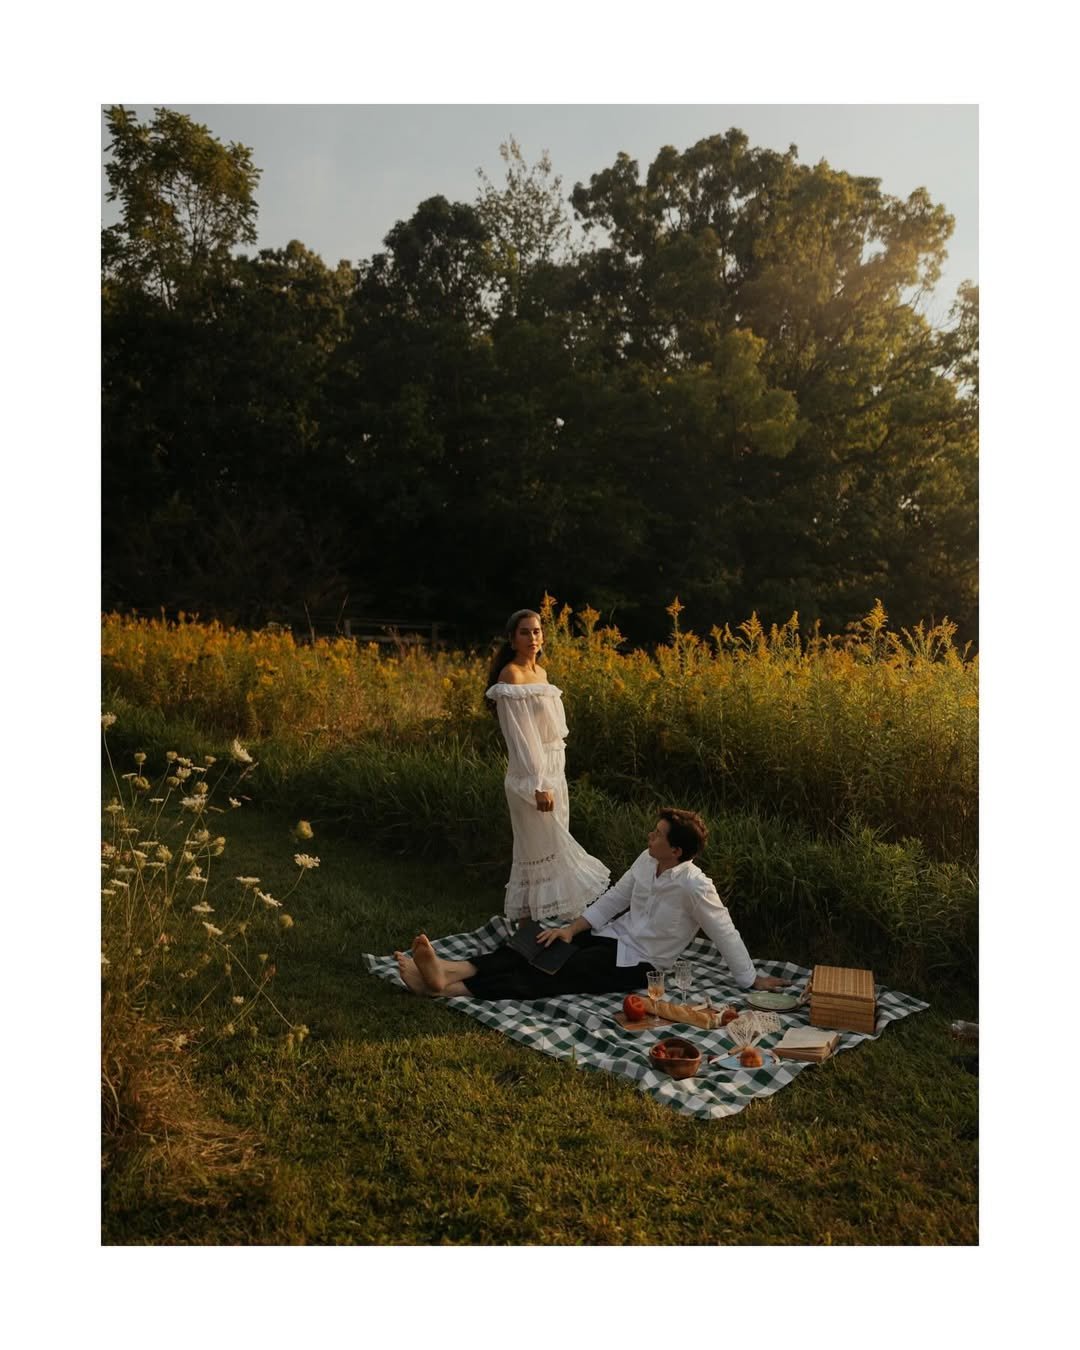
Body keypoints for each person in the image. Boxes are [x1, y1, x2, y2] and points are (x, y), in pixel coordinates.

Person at [394, 807, 789, 1000]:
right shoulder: (647, 858)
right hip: (609, 936)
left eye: (658, 835)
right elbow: (615, 898)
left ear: (677, 850)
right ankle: (447, 969)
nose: (649, 837)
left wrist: (750, 979)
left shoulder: (695, 886)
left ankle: (448, 989)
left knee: (556, 972)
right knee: (539, 942)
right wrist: (572, 928)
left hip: (638, 963)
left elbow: (724, 930)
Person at [483, 607, 610, 924]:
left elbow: (551, 733)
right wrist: (538, 785)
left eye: (537, 631)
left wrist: (552, 779)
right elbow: (522, 739)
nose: (532, 637)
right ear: (512, 639)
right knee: (537, 851)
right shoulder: (510, 676)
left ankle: (548, 926)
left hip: (554, 770)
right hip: (532, 776)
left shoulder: (541, 674)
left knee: (552, 850)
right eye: (524, 632)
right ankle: (529, 925)